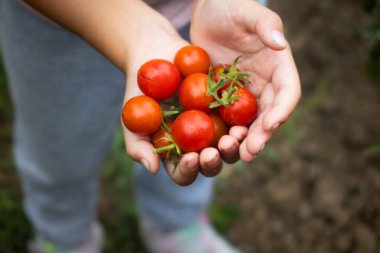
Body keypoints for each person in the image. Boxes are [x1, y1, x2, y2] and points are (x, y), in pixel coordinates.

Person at [0, 0, 300, 252]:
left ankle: (175, 225)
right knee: (59, 150)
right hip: (57, 28)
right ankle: (62, 236)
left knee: (199, 157)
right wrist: (139, 37)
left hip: (207, 15)